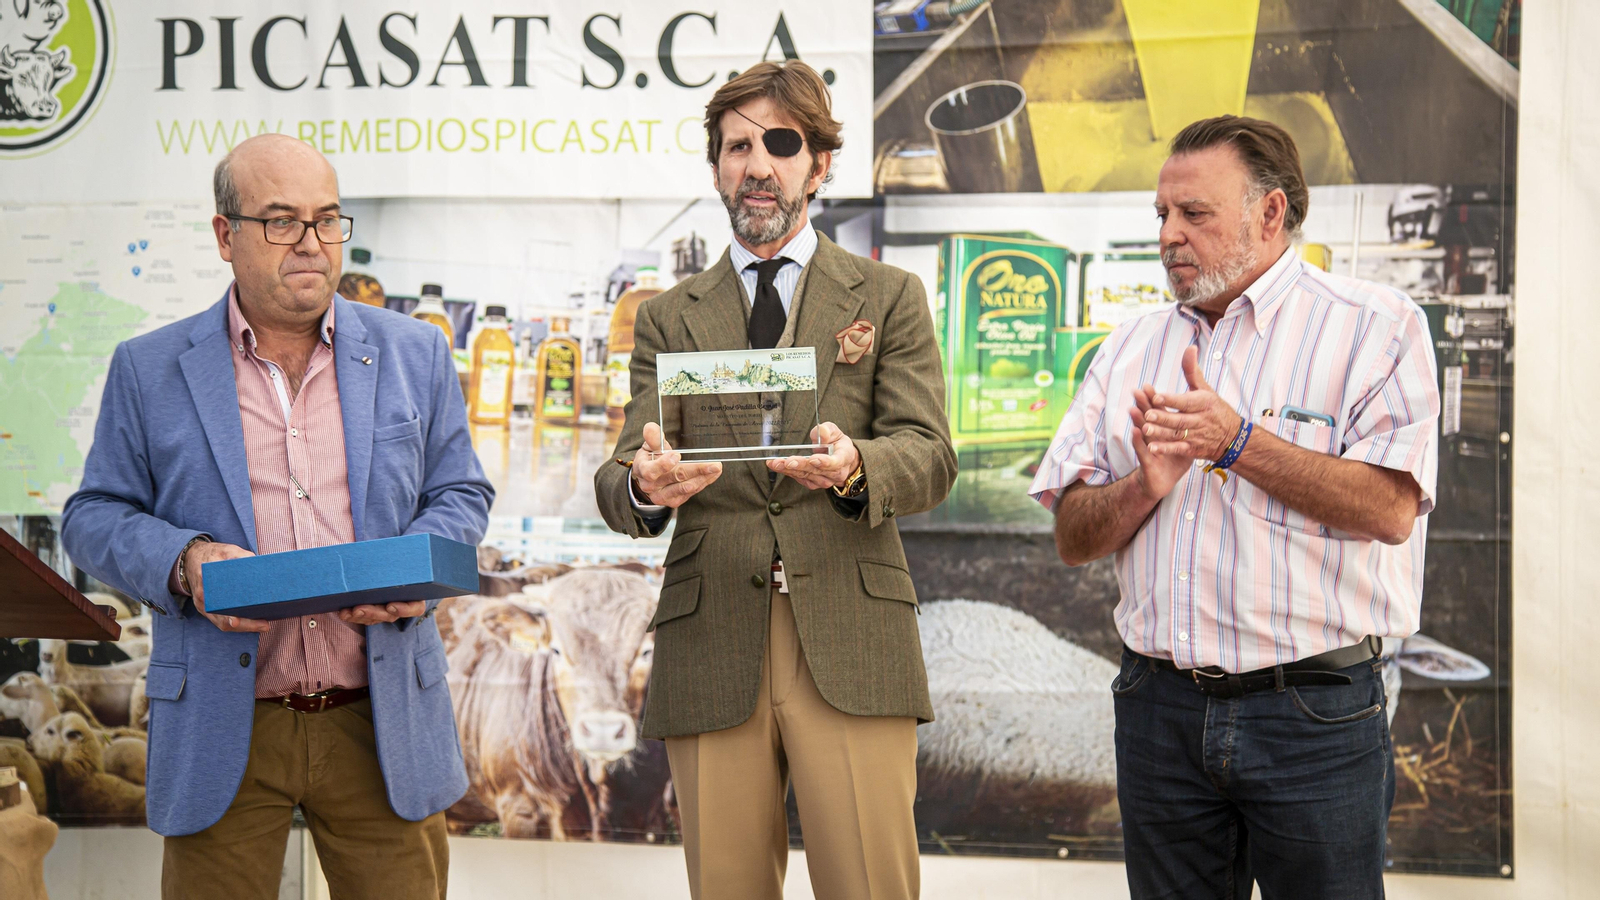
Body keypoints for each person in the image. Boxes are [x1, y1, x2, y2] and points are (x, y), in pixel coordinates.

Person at [61, 134, 492, 900]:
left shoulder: (416, 353)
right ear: (226, 235)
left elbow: (461, 492)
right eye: (282, 221)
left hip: (380, 717)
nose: (312, 244)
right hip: (227, 723)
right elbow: (93, 515)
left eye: (328, 220)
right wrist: (184, 561)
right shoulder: (150, 367)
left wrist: (417, 571)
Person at [1029, 116, 1439, 899]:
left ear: (1270, 214)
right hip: (1159, 714)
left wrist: (1237, 442)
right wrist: (1145, 485)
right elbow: (1073, 536)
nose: (1170, 236)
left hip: (1313, 716)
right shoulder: (1129, 348)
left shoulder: (1375, 329)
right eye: (1162, 215)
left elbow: (1390, 509)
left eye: (1196, 214)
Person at [595, 60, 956, 900]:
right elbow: (619, 481)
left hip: (851, 632)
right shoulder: (665, 315)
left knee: (870, 885)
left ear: (819, 165)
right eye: (737, 146)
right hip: (713, 631)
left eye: (780, 144)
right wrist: (648, 485)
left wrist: (858, 464)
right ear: (718, 167)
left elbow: (930, 453)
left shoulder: (890, 296)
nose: (757, 164)